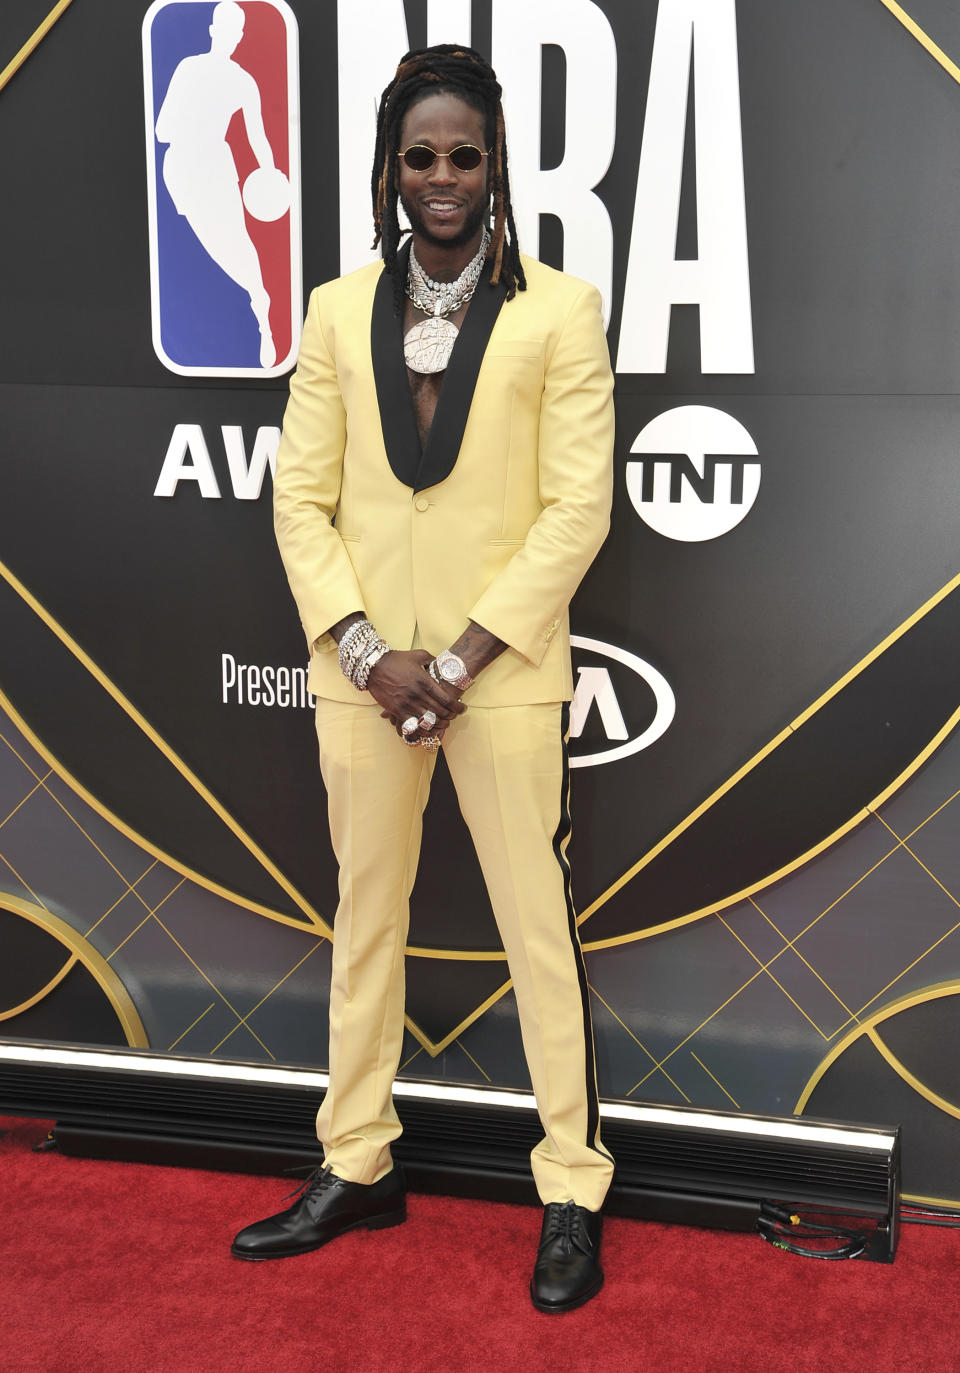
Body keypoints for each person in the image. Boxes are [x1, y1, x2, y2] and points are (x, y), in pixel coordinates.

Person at [232, 44, 616, 1314]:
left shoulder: (560, 310)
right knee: (365, 924)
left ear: (495, 163)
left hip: (495, 680)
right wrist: (362, 647)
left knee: (536, 938)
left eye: (464, 154)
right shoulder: (340, 309)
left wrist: (455, 658)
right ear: (389, 170)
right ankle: (357, 1159)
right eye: (419, 156)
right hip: (361, 676)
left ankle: (571, 1182)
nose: (441, 178)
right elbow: (299, 498)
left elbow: (576, 512)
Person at [155, 0, 278, 365]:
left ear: (239, 36)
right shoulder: (190, 68)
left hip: (212, 167)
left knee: (236, 242)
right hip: (180, 169)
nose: (230, 37)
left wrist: (270, 174)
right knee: (204, 248)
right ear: (214, 32)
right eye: (226, 29)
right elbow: (161, 129)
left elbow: (258, 137)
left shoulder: (242, 81)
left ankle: (262, 311)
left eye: (234, 31)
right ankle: (255, 302)